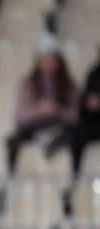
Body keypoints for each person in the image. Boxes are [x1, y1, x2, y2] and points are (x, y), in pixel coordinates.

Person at [6, 35, 79, 174]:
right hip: (35, 127)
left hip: (62, 127)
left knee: (77, 139)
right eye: (45, 60)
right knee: (14, 140)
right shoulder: (29, 84)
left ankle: (74, 182)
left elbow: (76, 116)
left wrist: (59, 111)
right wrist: (40, 109)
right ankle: (11, 178)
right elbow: (20, 115)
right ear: (39, 62)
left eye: (52, 60)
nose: (49, 64)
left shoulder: (69, 85)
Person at [70, 51, 100, 174]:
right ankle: (75, 177)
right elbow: (84, 107)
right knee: (76, 136)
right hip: (95, 123)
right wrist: (90, 105)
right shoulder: (94, 74)